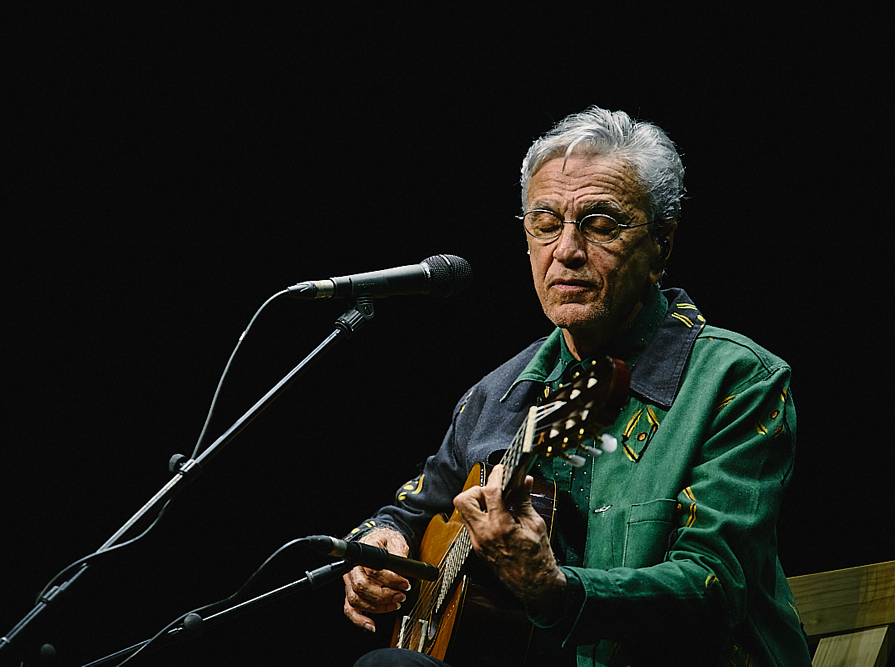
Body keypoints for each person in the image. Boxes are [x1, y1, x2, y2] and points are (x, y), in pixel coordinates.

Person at [340, 107, 811, 666]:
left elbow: (714, 583)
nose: (566, 250)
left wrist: (553, 590)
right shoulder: (499, 394)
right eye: (545, 223)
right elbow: (412, 508)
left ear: (661, 244)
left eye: (601, 223)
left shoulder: (737, 380)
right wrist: (379, 545)